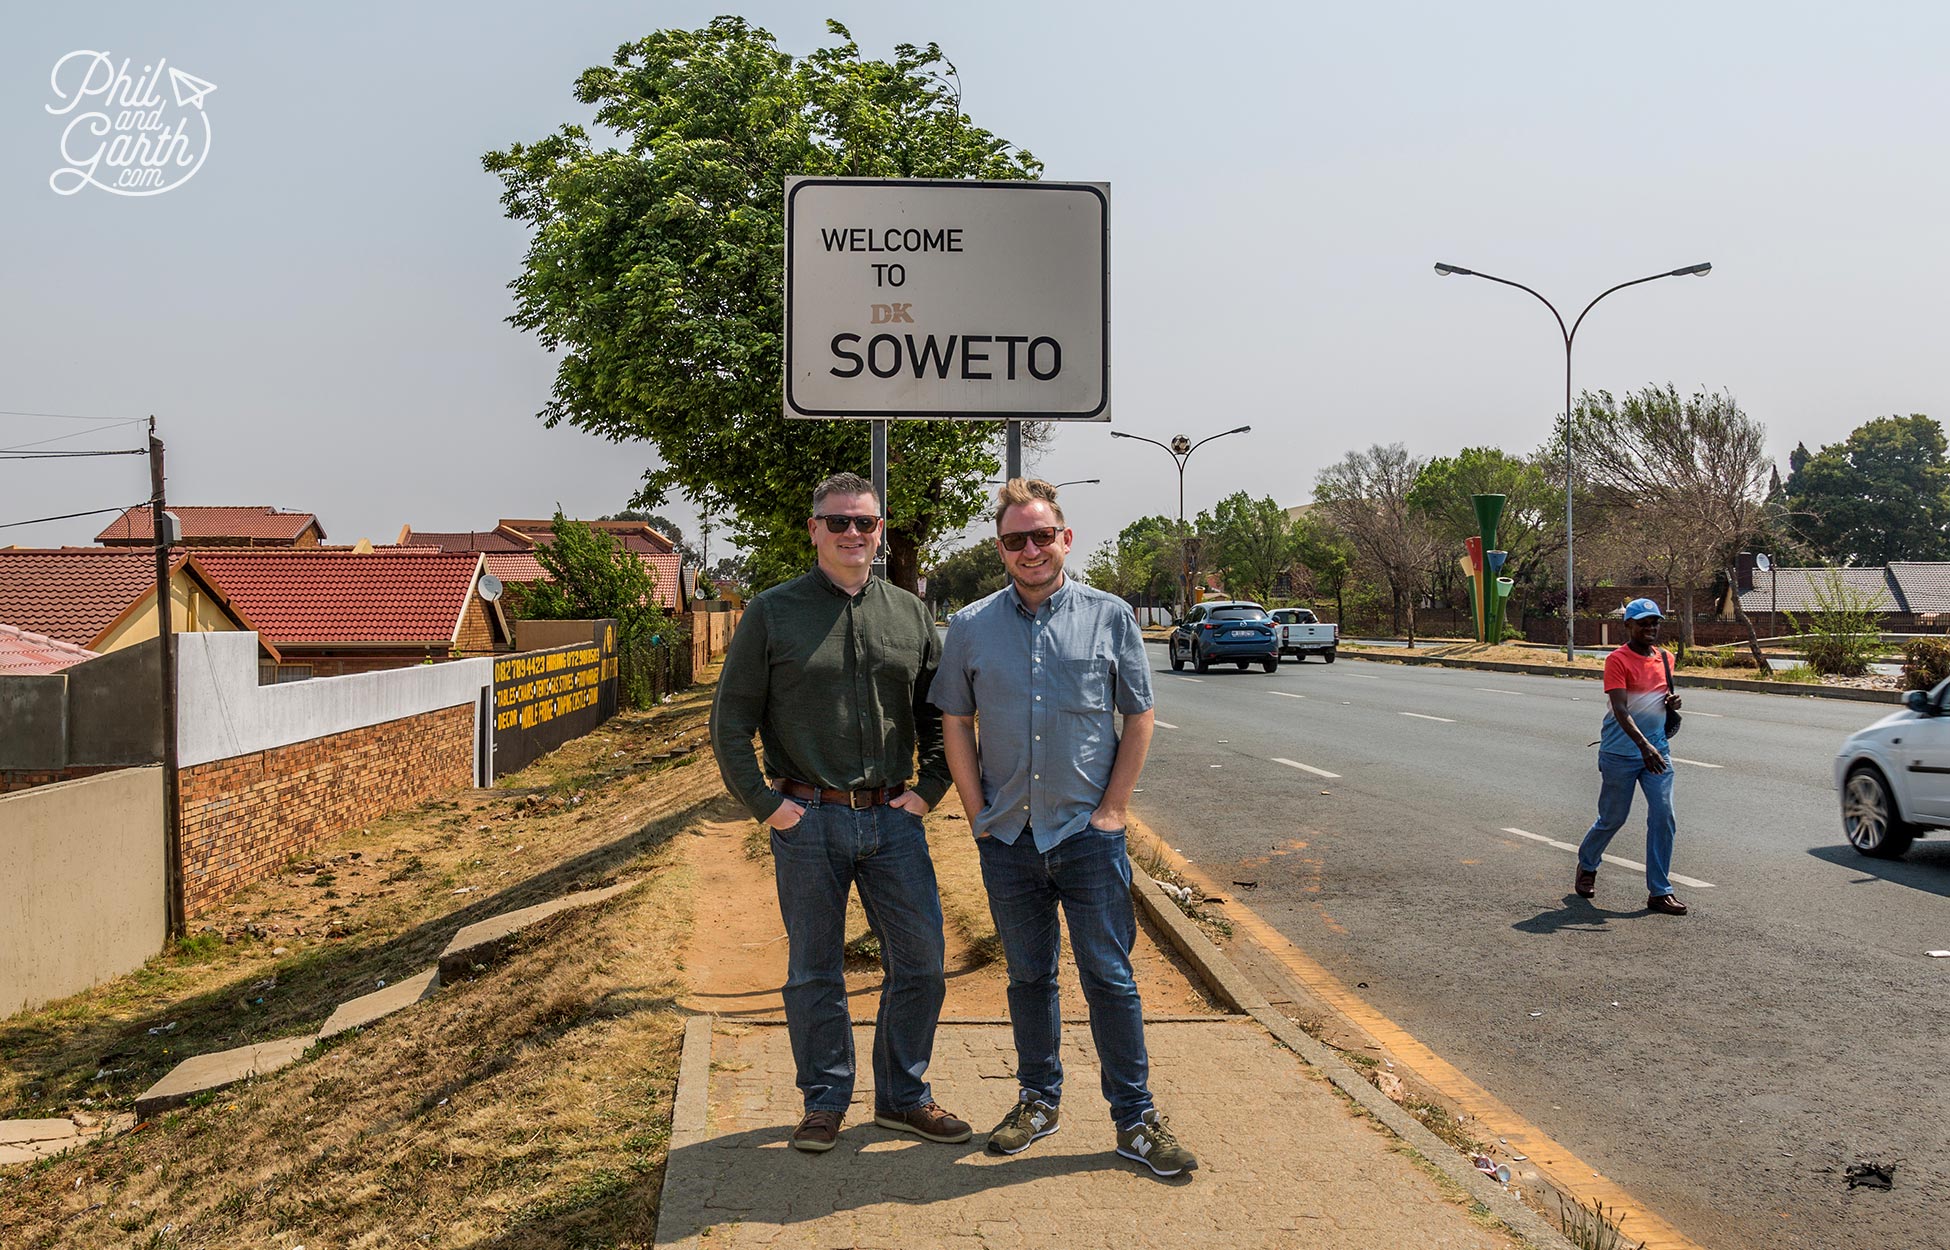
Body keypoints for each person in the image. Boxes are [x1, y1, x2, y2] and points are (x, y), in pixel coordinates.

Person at [932, 478, 1198, 1177]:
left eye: (1041, 535)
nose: (1030, 549)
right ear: (1001, 549)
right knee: (1028, 978)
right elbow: (955, 722)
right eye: (1015, 540)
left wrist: (1113, 811)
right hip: (1008, 838)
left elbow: (1138, 716)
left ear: (1064, 538)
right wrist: (973, 811)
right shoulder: (969, 625)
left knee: (1110, 978)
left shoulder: (1110, 616)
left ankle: (1134, 1120)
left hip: (1087, 836)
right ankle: (1038, 1102)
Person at [709, 470, 968, 1153]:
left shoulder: (910, 615)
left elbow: (940, 714)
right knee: (814, 971)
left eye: (866, 523)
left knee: (923, 964)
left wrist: (930, 790)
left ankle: (902, 1099)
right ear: (814, 529)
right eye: (839, 522)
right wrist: (767, 806)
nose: (854, 533)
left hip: (893, 820)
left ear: (880, 532)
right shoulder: (772, 612)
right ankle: (824, 1101)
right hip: (807, 819)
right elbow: (730, 720)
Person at [1575, 597, 1689, 916]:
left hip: (1657, 751)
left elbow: (1658, 698)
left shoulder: (1666, 658)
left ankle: (1659, 891)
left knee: (1663, 816)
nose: (1651, 628)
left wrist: (1670, 703)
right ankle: (1587, 864)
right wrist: (1644, 746)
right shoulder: (1617, 660)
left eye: (1655, 622)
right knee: (1613, 818)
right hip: (1620, 752)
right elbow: (1622, 709)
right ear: (1628, 625)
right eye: (1643, 623)